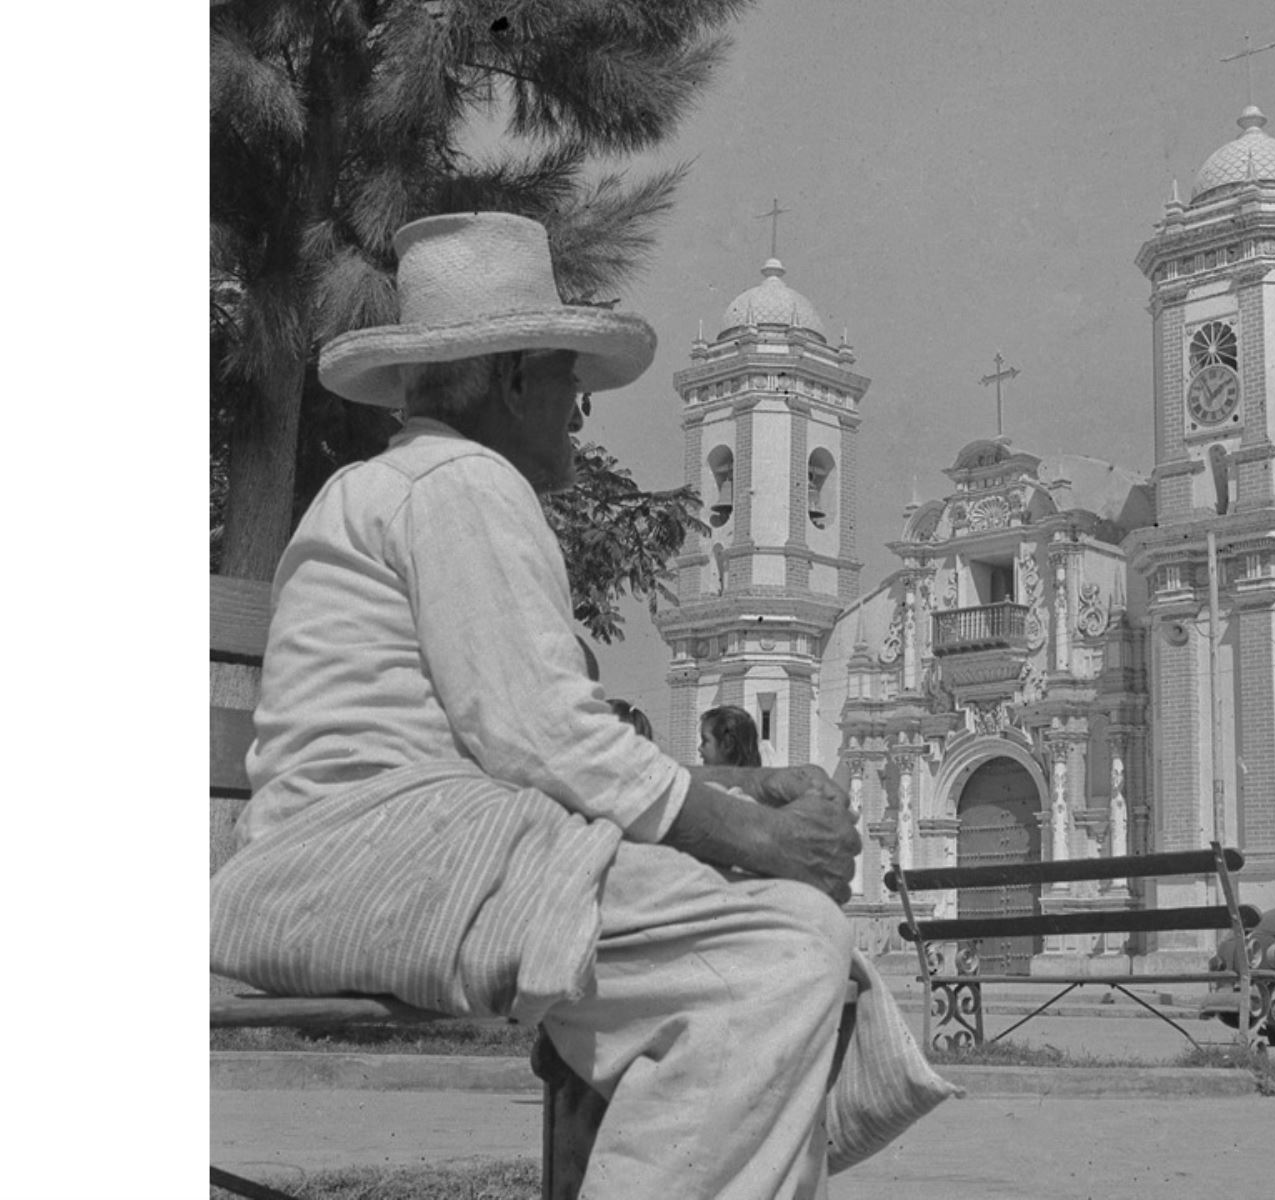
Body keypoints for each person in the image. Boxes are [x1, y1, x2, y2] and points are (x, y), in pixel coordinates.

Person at [210, 212, 870, 1199]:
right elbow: (539, 734)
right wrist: (756, 837)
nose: (581, 408)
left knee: (755, 938)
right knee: (786, 945)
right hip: (378, 867)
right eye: (569, 377)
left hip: (367, 860)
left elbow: (522, 730)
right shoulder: (462, 482)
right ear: (515, 377)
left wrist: (741, 792)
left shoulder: (409, 481)